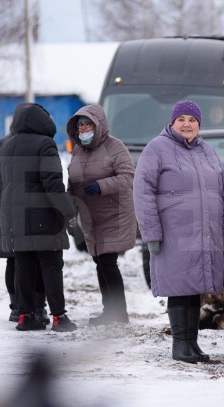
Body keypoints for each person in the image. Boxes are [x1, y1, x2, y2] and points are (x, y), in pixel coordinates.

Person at [133, 100, 224, 363]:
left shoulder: (208, 151)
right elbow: (142, 192)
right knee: (179, 288)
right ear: (172, 122)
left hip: (205, 234)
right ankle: (180, 345)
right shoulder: (157, 148)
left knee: (194, 289)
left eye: (192, 120)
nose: (187, 124)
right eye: (181, 119)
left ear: (199, 125)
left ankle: (192, 343)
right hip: (173, 234)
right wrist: (151, 234)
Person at [0, 102, 77, 332]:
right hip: (43, 217)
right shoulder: (45, 145)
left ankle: (26, 316)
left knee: (24, 265)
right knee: (51, 266)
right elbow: (52, 185)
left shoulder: (6, 147)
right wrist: (69, 211)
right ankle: (59, 317)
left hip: (16, 219)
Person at [66, 104, 136, 326]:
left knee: (107, 261)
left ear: (98, 125)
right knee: (99, 261)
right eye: (80, 125)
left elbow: (128, 176)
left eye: (88, 124)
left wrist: (101, 185)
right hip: (90, 216)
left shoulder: (115, 147)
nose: (84, 129)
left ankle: (118, 314)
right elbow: (73, 180)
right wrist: (69, 205)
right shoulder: (78, 150)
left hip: (114, 213)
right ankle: (110, 311)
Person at [0, 133, 49, 324]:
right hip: (8, 211)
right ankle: (17, 306)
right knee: (13, 260)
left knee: (39, 259)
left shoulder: (42, 143)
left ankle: (38, 306)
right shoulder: (1, 145)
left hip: (36, 212)